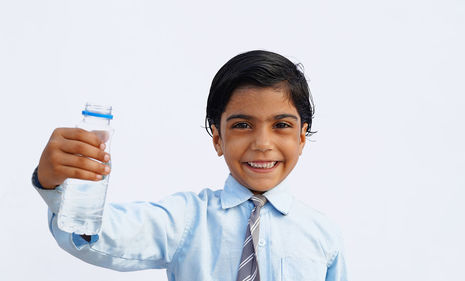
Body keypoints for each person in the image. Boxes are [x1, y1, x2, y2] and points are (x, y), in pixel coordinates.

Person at [32, 50, 348, 280]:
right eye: (241, 125)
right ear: (217, 138)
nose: (263, 143)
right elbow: (95, 237)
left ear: (302, 137)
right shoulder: (186, 219)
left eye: (281, 125)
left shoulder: (323, 235)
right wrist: (54, 185)